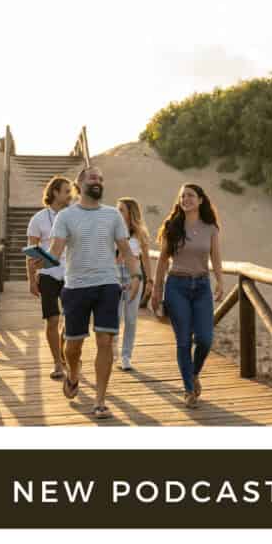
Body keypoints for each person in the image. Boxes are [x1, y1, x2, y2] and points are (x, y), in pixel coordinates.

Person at [45, 165, 141, 420]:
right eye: (92, 177)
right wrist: (39, 262)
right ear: (80, 183)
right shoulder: (66, 216)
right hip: (76, 286)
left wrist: (136, 275)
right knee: (73, 345)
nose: (98, 181)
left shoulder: (112, 215)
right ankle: (74, 374)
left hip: (108, 285)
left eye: (101, 178)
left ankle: (100, 401)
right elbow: (55, 253)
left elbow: (127, 251)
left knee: (105, 341)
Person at [151, 184, 224, 409]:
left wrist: (220, 281)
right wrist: (156, 290)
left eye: (190, 196)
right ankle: (189, 390)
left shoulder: (210, 227)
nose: (186, 199)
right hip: (177, 286)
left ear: (201, 200)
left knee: (205, 339)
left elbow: (216, 257)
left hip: (201, 286)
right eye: (182, 196)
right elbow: (163, 261)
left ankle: (193, 373)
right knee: (183, 341)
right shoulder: (172, 226)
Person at [26, 175, 73, 380]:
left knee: (71, 321)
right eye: (66, 191)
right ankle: (57, 363)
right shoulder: (38, 219)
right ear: (55, 192)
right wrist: (31, 279)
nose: (70, 195)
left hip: (71, 274)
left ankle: (64, 355)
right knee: (52, 319)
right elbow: (32, 252)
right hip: (47, 275)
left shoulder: (73, 216)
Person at [115, 197, 154, 371]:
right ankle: (113, 352)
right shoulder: (112, 230)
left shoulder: (140, 233)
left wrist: (150, 281)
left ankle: (126, 356)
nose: (117, 212)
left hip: (134, 277)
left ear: (130, 213)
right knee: (115, 318)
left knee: (131, 319)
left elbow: (145, 258)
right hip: (115, 276)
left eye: (121, 209)